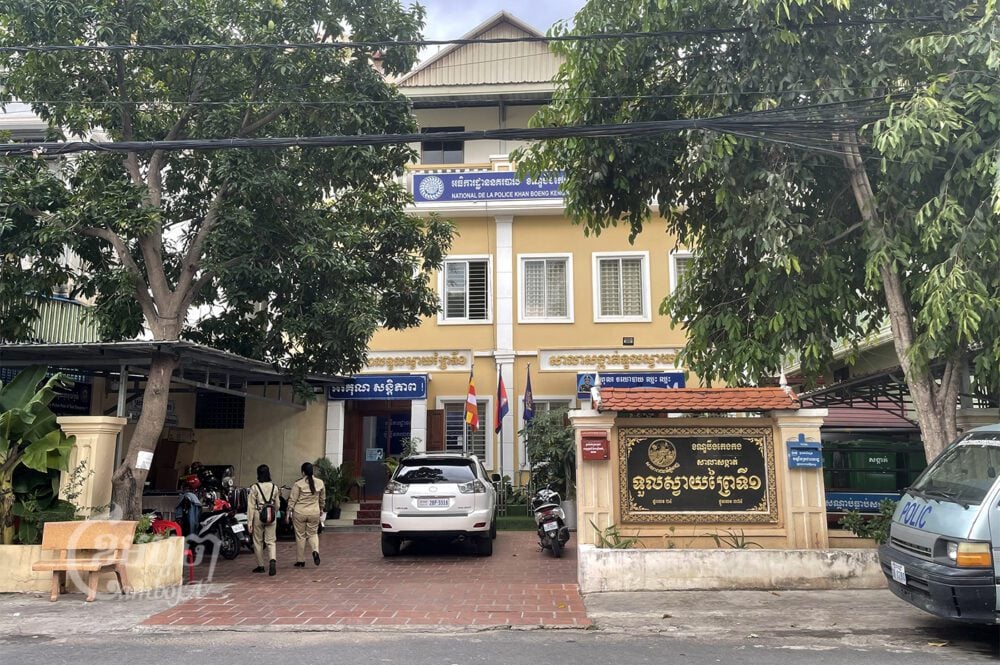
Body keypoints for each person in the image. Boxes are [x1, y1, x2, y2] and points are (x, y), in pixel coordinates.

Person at [288, 461, 326, 567]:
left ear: (303, 472)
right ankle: (315, 551)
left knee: (300, 536)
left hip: (300, 512)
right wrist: (321, 508)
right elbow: (322, 498)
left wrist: (288, 511)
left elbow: (292, 499)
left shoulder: (298, 484)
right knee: (313, 534)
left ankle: (301, 560)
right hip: (314, 512)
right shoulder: (320, 483)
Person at [247, 464, 279, 576]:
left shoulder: (254, 487)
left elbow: (250, 506)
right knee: (271, 541)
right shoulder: (274, 487)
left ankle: (260, 566)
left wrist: (249, 522)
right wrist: (274, 511)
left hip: (258, 514)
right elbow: (277, 505)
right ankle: (272, 560)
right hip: (271, 515)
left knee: (258, 541)